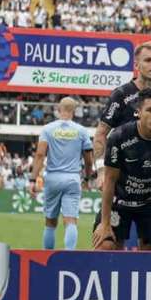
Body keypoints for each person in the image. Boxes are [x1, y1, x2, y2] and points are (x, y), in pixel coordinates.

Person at [92, 88, 151, 251]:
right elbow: (110, 181)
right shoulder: (119, 136)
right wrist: (105, 224)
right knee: (105, 245)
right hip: (119, 202)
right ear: (138, 112)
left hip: (150, 202)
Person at [29, 97, 94, 250]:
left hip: (52, 177)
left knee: (50, 221)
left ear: (58, 110)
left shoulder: (48, 129)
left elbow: (39, 155)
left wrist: (32, 179)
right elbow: (89, 159)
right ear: (74, 111)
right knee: (70, 220)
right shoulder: (81, 131)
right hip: (72, 178)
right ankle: (68, 257)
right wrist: (87, 177)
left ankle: (47, 256)